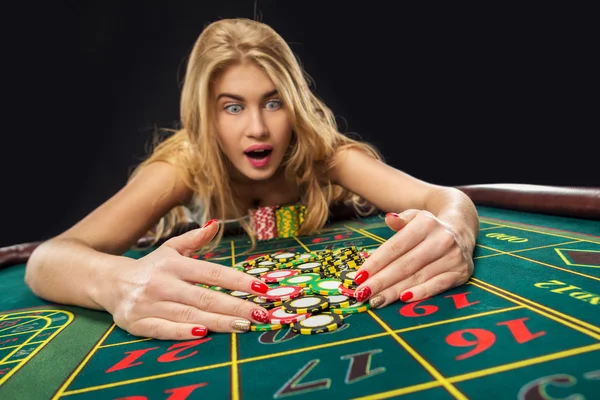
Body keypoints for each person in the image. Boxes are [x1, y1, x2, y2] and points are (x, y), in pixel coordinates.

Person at [24, 18, 479, 341]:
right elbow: (48, 259)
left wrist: (455, 227)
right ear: (207, 115)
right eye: (233, 106)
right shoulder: (186, 164)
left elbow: (443, 199)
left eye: (274, 102)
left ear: (294, 105)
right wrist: (119, 282)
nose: (257, 128)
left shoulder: (321, 152)